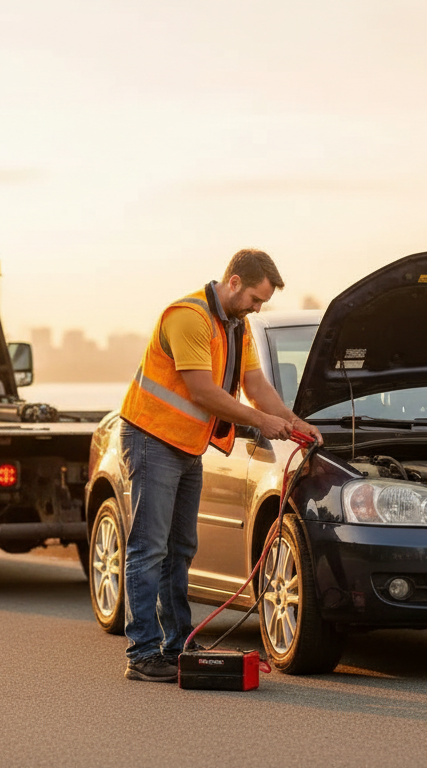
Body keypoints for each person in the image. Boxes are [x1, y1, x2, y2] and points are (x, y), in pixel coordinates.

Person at [116, 248, 322, 683]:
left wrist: (292, 421)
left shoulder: (236, 326)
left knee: (181, 549)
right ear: (233, 283)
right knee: (149, 548)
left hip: (187, 448)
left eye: (262, 302)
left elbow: (254, 384)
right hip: (152, 440)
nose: (258, 307)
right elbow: (203, 393)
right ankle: (142, 652)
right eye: (255, 298)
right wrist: (262, 422)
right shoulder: (188, 316)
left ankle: (175, 646)